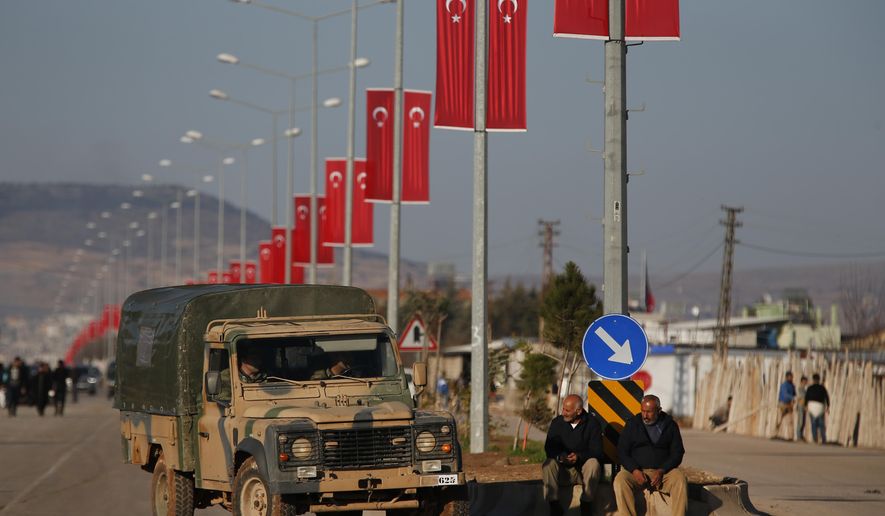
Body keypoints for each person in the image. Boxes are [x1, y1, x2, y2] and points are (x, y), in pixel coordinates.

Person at [614, 394, 687, 516]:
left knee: (680, 479)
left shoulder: (670, 425)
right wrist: (634, 470)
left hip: (663, 473)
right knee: (620, 480)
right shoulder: (633, 424)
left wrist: (662, 470)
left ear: (659, 410)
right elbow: (622, 451)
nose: (645, 415)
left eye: (649, 412)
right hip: (637, 472)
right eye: (643, 411)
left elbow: (678, 452)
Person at [542, 394, 602, 516]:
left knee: (593, 463)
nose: (563, 413)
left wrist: (579, 456)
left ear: (578, 411)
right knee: (548, 464)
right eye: (563, 409)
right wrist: (560, 456)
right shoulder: (557, 422)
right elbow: (549, 447)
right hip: (563, 472)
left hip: (582, 473)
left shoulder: (592, 423)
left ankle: (586, 503)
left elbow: (597, 451)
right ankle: (554, 505)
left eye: (567, 410)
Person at [805, 373, 830, 444]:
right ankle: (823, 439)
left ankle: (815, 439)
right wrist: (828, 406)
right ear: (819, 380)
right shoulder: (822, 388)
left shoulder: (810, 388)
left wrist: (806, 405)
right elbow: (827, 397)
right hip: (819, 406)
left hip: (812, 406)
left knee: (814, 424)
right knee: (821, 424)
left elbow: (806, 397)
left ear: (813, 380)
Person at [773, 371, 796, 439]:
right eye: (789, 377)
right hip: (782, 404)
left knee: (790, 420)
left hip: (789, 405)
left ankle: (790, 436)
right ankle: (775, 434)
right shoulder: (784, 385)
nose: (791, 378)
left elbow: (794, 394)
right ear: (786, 377)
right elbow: (785, 394)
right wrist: (792, 398)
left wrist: (793, 399)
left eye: (791, 377)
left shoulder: (792, 386)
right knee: (779, 420)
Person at [796, 376, 808, 441]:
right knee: (800, 422)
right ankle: (798, 436)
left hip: (804, 407)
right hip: (800, 406)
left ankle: (801, 435)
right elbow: (799, 398)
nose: (805, 383)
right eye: (804, 381)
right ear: (801, 382)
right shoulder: (799, 389)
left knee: (803, 422)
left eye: (805, 381)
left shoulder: (804, 390)